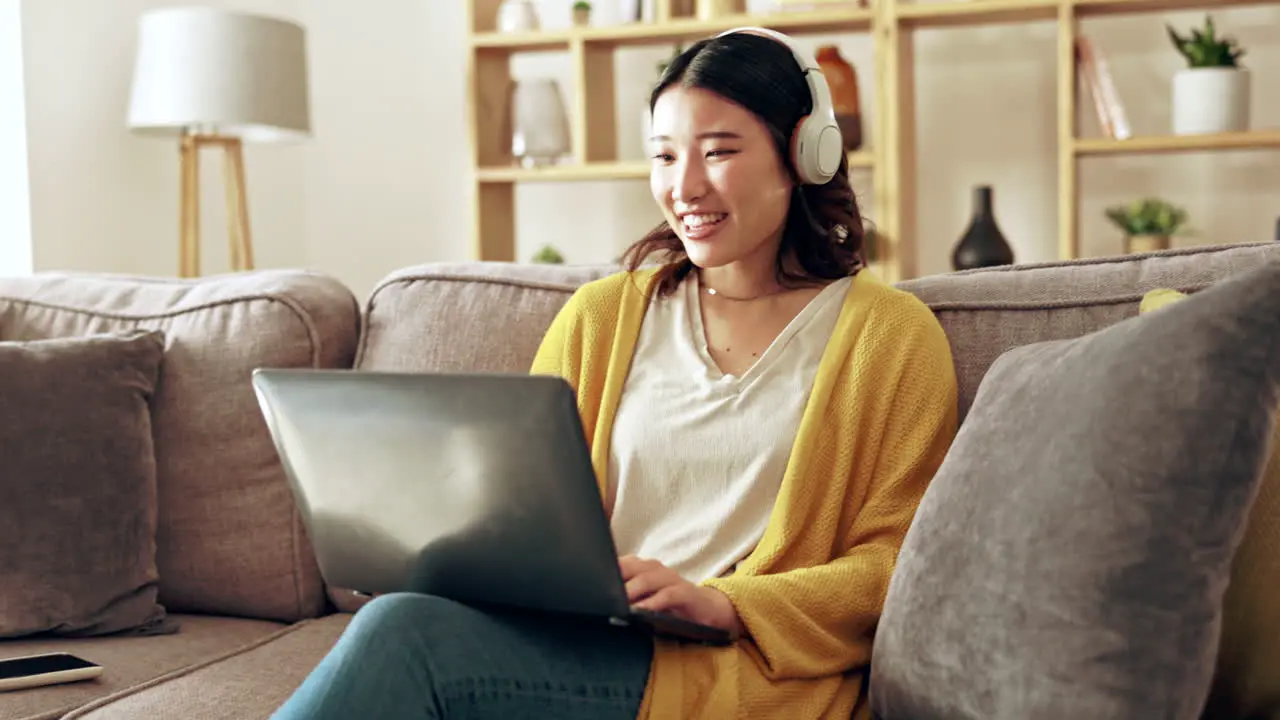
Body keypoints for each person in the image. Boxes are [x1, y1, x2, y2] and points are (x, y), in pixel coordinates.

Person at [271, 27, 958, 720]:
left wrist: (724, 604)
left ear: (805, 153)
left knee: (404, 636)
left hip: (730, 674)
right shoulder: (600, 317)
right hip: (580, 642)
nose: (684, 186)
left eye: (719, 152)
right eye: (664, 156)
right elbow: (519, 509)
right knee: (404, 611)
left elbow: (894, 566)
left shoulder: (890, 337)